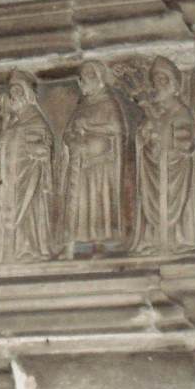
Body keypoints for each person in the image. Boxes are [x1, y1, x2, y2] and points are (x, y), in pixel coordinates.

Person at [0, 70, 56, 263]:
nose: (13, 96)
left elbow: (45, 143)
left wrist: (9, 141)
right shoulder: (14, 121)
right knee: (5, 210)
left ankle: (26, 250)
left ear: (27, 94)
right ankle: (4, 252)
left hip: (26, 177)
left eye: (18, 92)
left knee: (26, 211)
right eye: (11, 93)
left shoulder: (34, 118)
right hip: (8, 178)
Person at [131, 57, 195, 254]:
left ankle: (176, 239)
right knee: (151, 201)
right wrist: (145, 136)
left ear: (174, 85)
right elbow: (145, 136)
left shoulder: (181, 112)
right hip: (153, 169)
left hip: (174, 171)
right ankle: (154, 239)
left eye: (162, 80)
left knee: (172, 201)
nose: (156, 86)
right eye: (155, 81)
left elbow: (185, 143)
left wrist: (162, 135)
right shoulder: (155, 112)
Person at [61, 61, 126, 256]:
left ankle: (99, 243)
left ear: (98, 79)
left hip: (100, 164)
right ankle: (74, 244)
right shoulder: (82, 106)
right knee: (79, 203)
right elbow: (67, 132)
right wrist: (72, 138)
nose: (83, 83)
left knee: (98, 201)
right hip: (79, 163)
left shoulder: (108, 102)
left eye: (87, 78)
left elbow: (116, 129)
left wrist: (89, 127)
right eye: (82, 79)